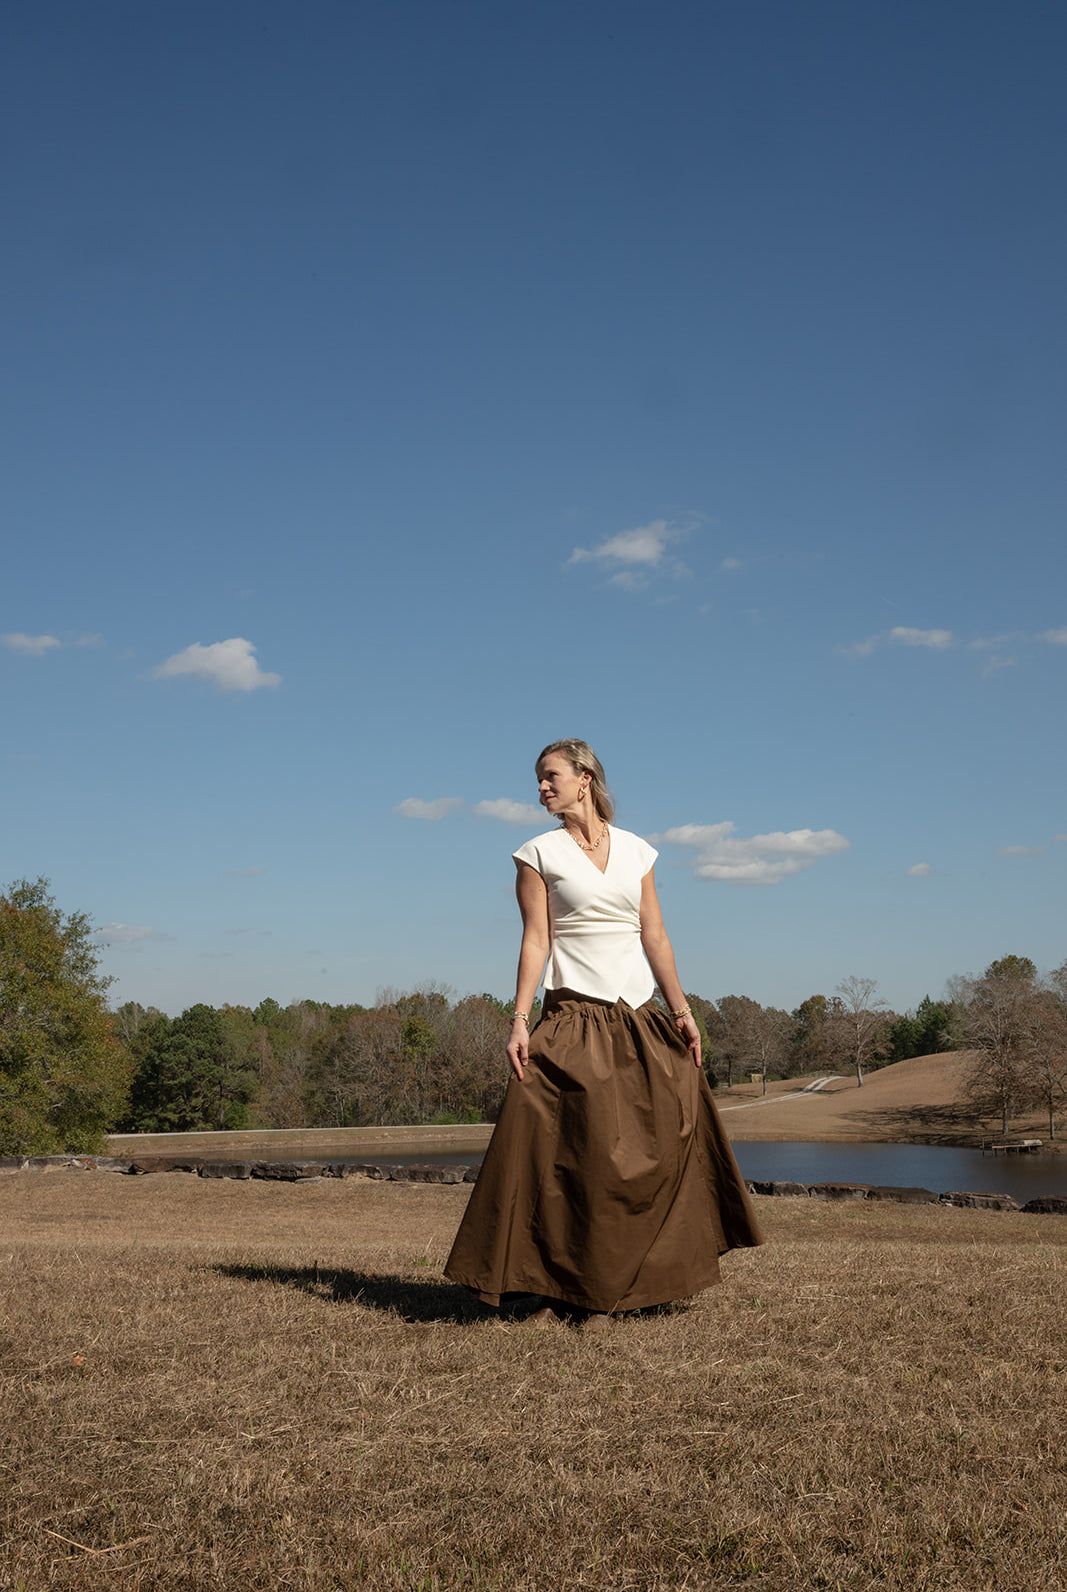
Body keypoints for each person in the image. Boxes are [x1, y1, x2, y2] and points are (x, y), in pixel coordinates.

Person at [444, 739, 764, 1328]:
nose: (541, 787)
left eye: (550, 776)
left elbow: (656, 937)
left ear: (585, 778)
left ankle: (614, 1291)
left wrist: (682, 1010)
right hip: (573, 1015)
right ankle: (546, 1289)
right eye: (539, 779)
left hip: (639, 1016)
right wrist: (519, 1020)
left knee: (643, 1149)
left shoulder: (638, 851)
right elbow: (536, 940)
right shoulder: (537, 853)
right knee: (556, 1148)